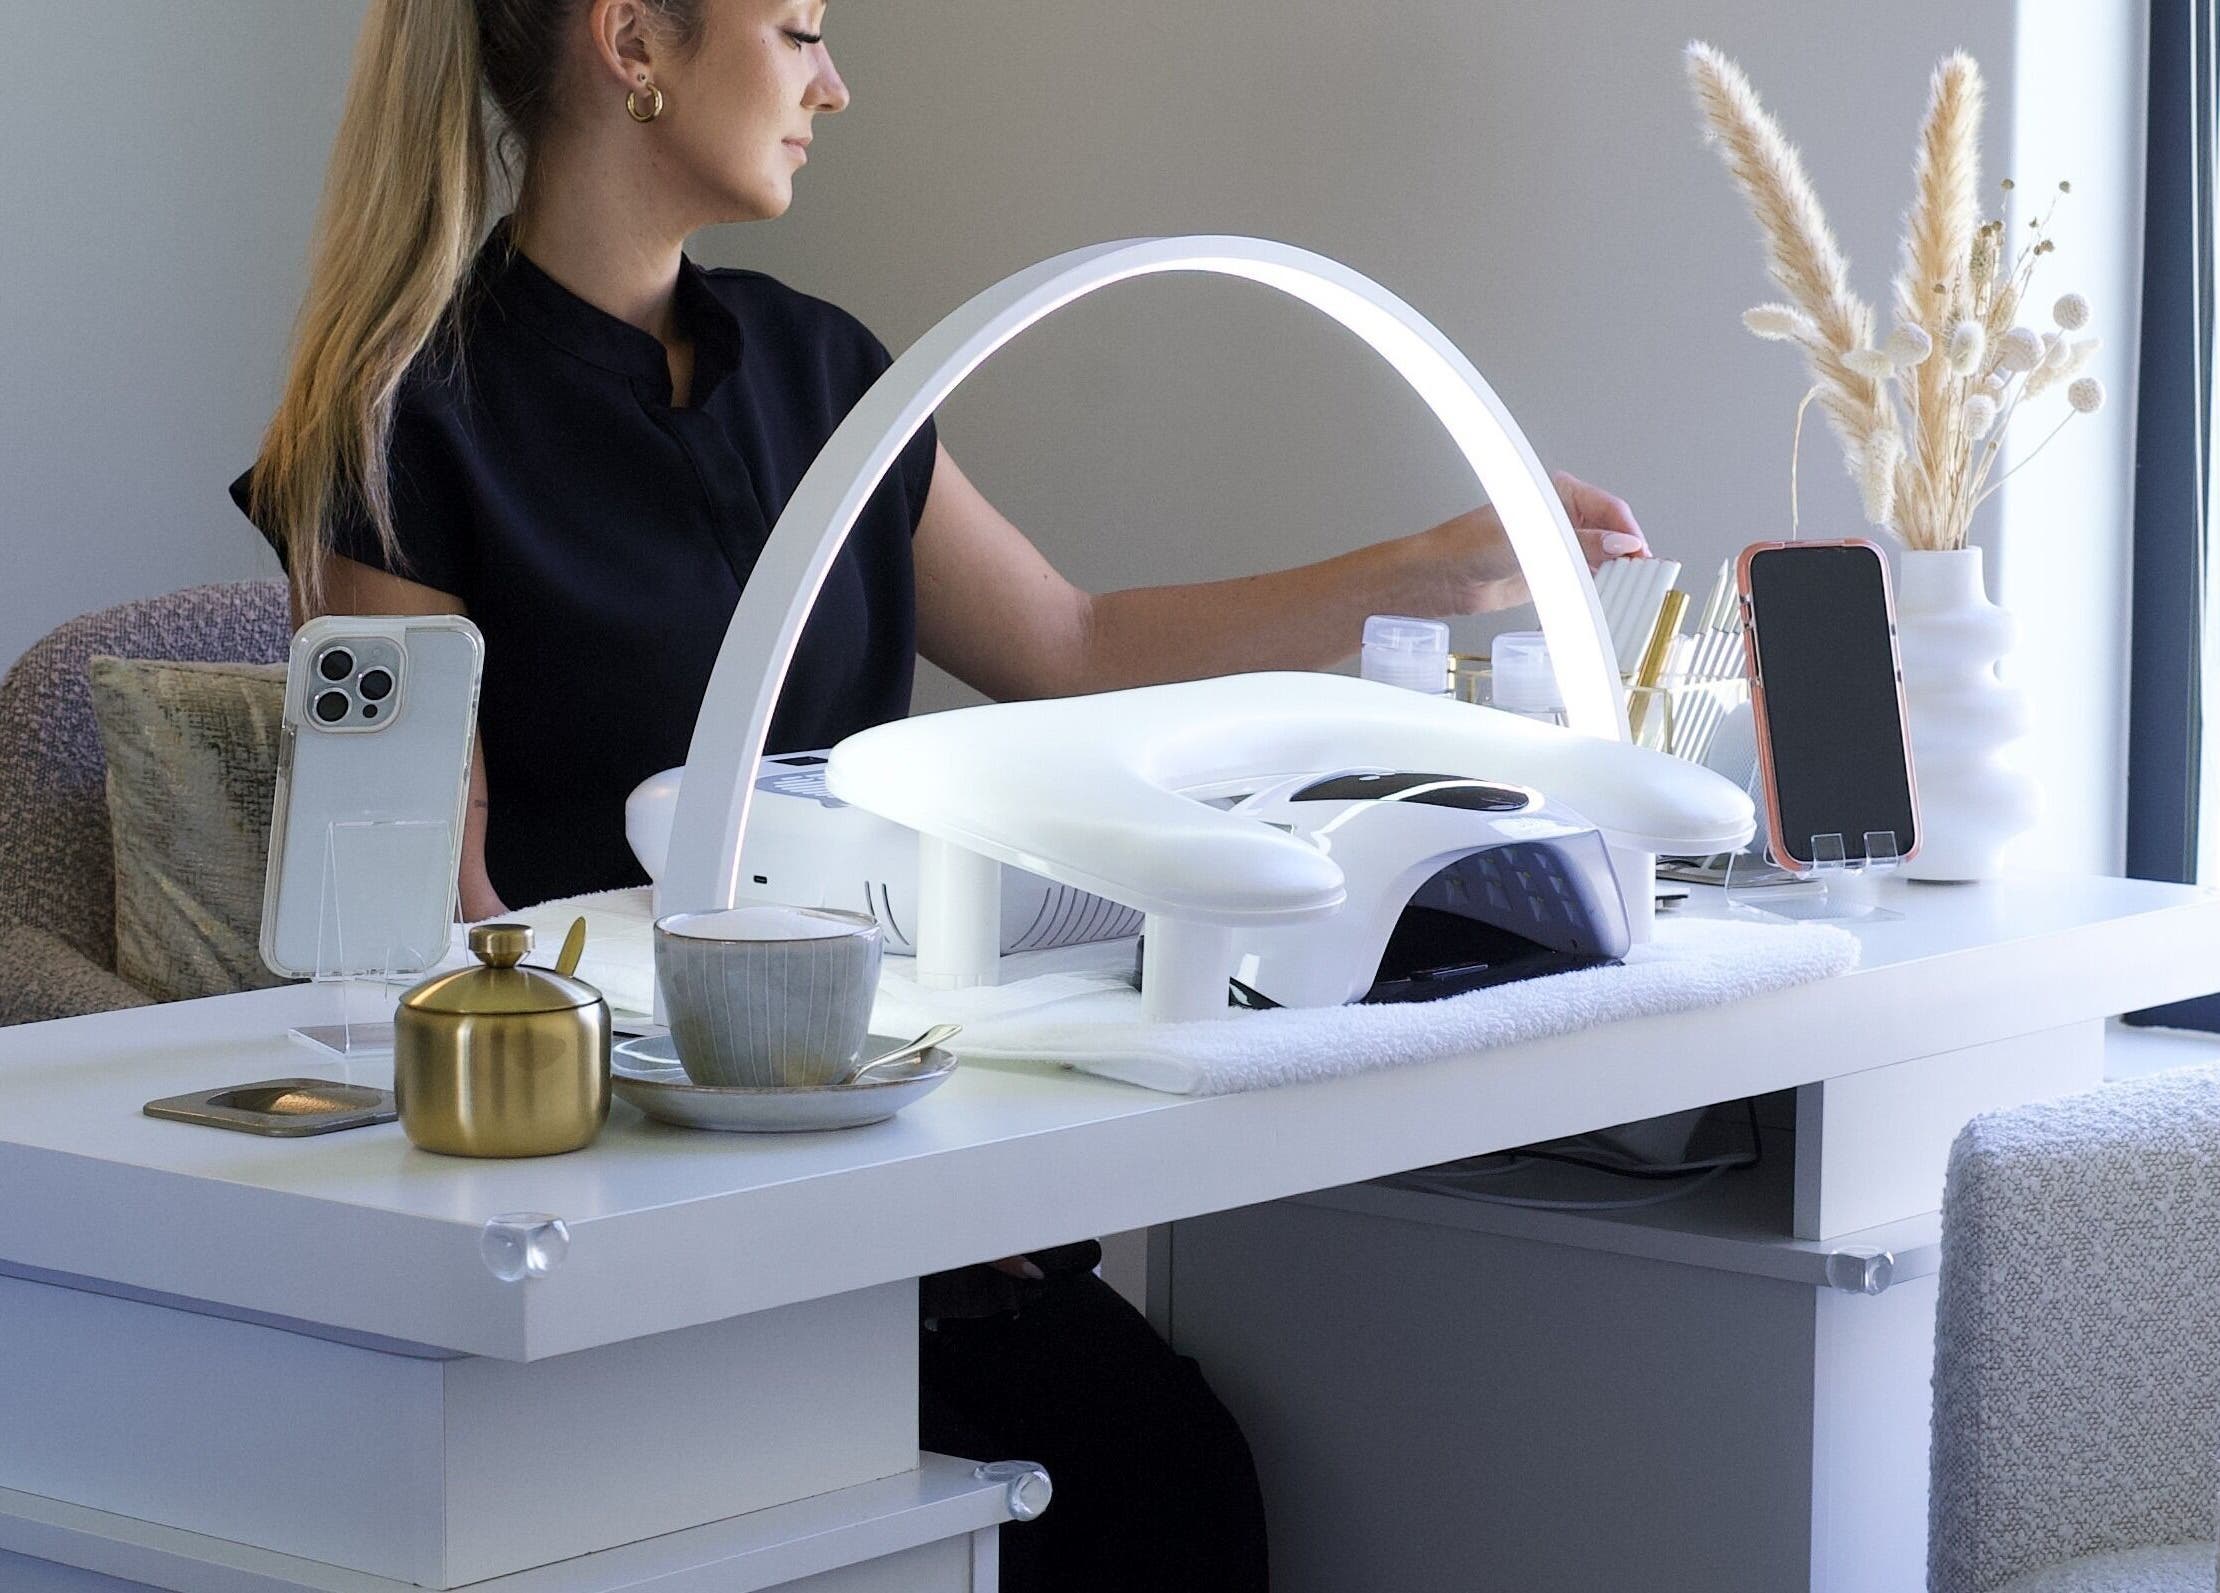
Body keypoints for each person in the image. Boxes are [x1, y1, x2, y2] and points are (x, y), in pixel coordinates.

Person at [233, 4, 1651, 1587]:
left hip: (894, 1163)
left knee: (1174, 1476)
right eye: (799, 31)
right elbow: (445, 926)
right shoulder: (403, 419)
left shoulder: (828, 373)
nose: (834, 85)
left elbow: (1072, 644)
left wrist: (1433, 568)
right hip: (624, 1208)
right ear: (634, 44)